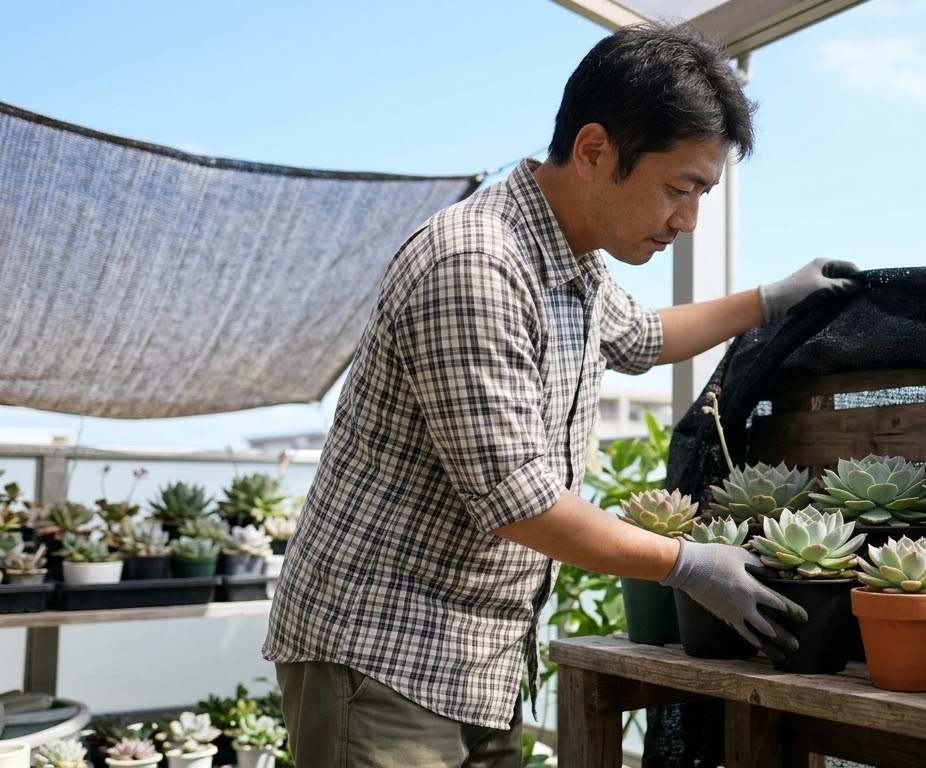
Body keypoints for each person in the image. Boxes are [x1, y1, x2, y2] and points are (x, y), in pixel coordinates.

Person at [263, 20, 862, 767]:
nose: (688, 219)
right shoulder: (478, 264)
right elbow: (519, 500)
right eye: (680, 188)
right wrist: (687, 563)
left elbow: (642, 336)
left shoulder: (572, 259)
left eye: (704, 194)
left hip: (476, 659)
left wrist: (771, 299)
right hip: (382, 649)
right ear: (593, 151)